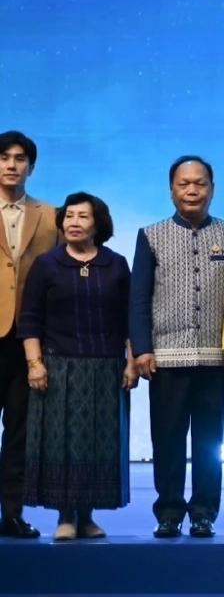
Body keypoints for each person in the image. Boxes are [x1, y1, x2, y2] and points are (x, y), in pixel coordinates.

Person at [130, 156, 224, 539]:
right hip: (165, 357)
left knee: (210, 441)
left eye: (200, 183)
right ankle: (168, 511)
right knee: (167, 438)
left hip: (216, 357)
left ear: (212, 189)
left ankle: (203, 513)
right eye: (184, 184)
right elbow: (139, 297)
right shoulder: (151, 235)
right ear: (171, 190)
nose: (192, 190)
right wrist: (142, 349)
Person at [20, 193, 136, 540]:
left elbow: (128, 319)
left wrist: (131, 362)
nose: (73, 222)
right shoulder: (47, 264)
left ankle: (87, 516)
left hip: (105, 369)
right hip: (58, 367)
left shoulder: (115, 264)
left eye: (82, 217)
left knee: (96, 444)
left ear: (97, 223)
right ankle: (65, 517)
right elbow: (30, 319)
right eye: (68, 216)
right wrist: (35, 364)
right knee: (63, 445)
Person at [0, 131, 58, 539]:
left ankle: (13, 514)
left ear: (31, 167)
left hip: (27, 341)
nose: (11, 165)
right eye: (4, 157)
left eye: (20, 158)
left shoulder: (52, 216)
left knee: (19, 431)